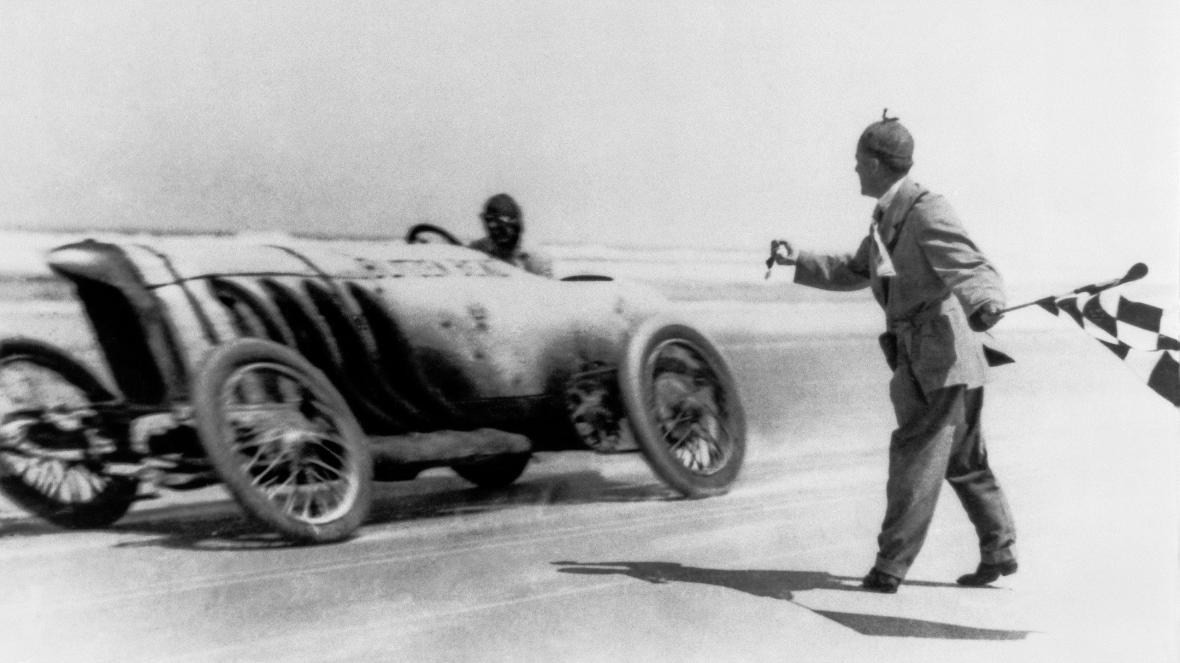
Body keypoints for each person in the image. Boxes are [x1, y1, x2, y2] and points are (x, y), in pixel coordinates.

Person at [767, 111, 1016, 593]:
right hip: (939, 359)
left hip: (939, 360)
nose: (855, 169)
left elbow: (970, 263)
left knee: (914, 458)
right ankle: (999, 549)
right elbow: (857, 268)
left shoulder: (925, 209)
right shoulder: (888, 212)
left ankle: (890, 566)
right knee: (964, 461)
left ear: (879, 163)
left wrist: (986, 299)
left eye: (860, 160)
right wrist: (797, 259)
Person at [469, 193, 554, 278]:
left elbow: (545, 287)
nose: (494, 229)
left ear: (515, 225)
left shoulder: (536, 260)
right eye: (489, 221)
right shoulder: (477, 249)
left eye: (501, 226)